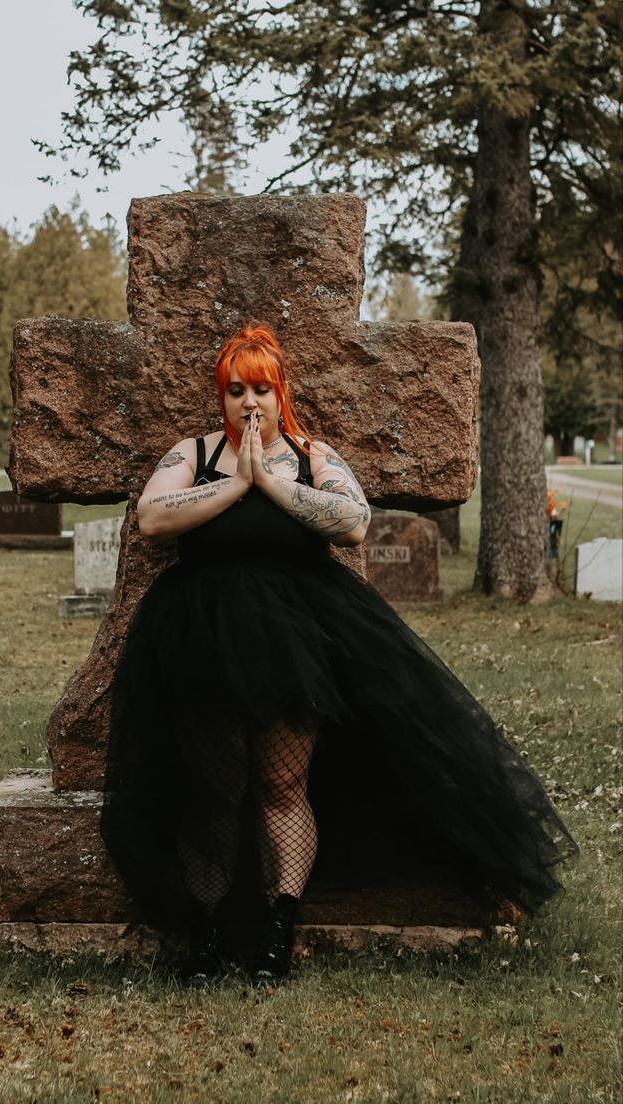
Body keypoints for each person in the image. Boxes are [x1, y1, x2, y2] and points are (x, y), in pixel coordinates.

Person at [101, 321, 578, 988]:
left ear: (280, 392)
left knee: (281, 787)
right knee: (212, 793)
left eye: (261, 389)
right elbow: (153, 518)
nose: (249, 402)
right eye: (236, 389)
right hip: (200, 641)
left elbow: (352, 523)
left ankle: (276, 932)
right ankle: (205, 935)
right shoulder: (195, 453)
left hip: (295, 642)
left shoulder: (314, 455)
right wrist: (238, 480)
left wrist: (272, 482)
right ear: (222, 395)